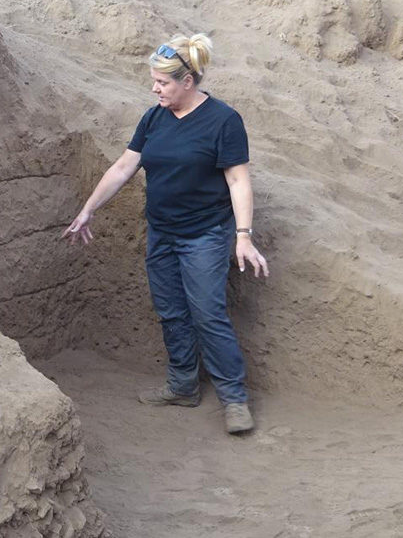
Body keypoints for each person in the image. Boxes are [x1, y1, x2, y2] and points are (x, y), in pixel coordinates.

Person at [62, 33, 268, 435]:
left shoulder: (223, 121)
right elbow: (124, 167)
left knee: (207, 313)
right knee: (171, 310)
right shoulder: (154, 117)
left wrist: (243, 235)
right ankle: (182, 385)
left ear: (188, 81)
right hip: (162, 233)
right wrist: (88, 210)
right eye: (154, 81)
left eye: (163, 82)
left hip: (205, 234)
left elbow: (238, 180)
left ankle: (234, 398)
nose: (155, 88)